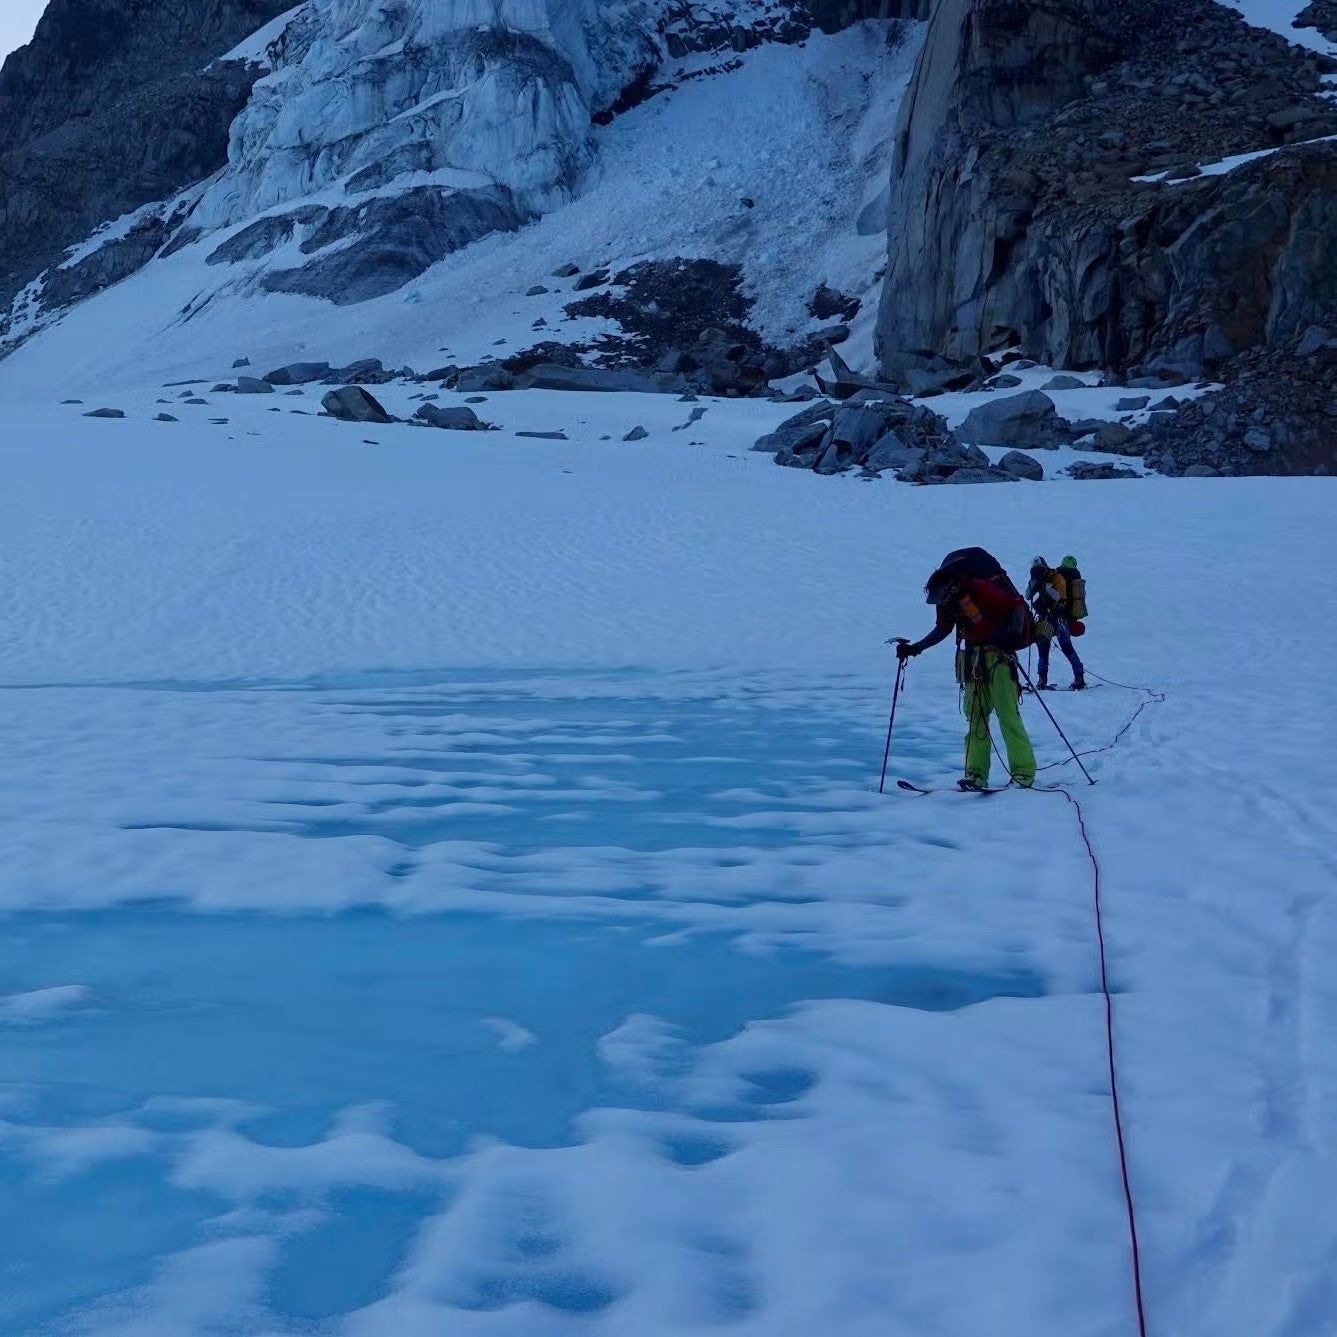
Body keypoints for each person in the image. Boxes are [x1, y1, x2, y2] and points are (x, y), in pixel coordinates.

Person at [895, 547, 1036, 790]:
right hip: (972, 659)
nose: (941, 604)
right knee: (976, 718)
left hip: (999, 657)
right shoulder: (947, 600)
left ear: (950, 586)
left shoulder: (979, 589)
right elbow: (943, 629)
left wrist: (1008, 638)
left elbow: (1015, 605)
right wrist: (915, 648)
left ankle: (1023, 773)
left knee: (1007, 716)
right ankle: (975, 774)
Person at [1026, 555, 1086, 691]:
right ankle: (1042, 680)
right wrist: (1033, 582)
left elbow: (1060, 597)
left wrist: (1047, 587)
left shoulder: (1057, 577)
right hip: (1046, 616)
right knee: (1043, 647)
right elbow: (1028, 595)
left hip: (1058, 615)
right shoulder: (1043, 578)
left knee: (1065, 646)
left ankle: (1078, 677)